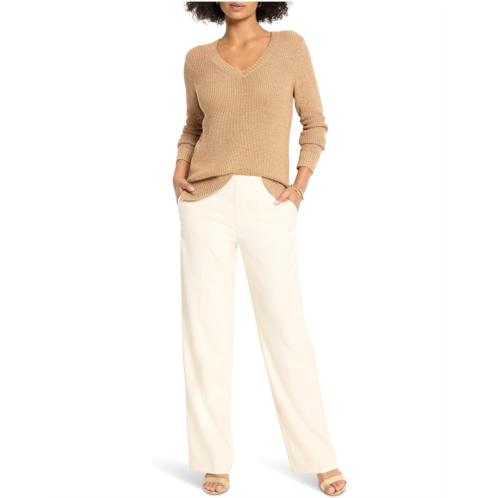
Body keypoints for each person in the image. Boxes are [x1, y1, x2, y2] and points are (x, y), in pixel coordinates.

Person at [173, 2, 347, 495]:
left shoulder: (290, 48)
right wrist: (178, 169)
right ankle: (213, 457)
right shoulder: (197, 58)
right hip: (203, 200)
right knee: (205, 330)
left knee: (286, 329)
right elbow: (192, 127)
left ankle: (319, 456)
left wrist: (299, 187)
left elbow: (315, 124)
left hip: (270, 201)